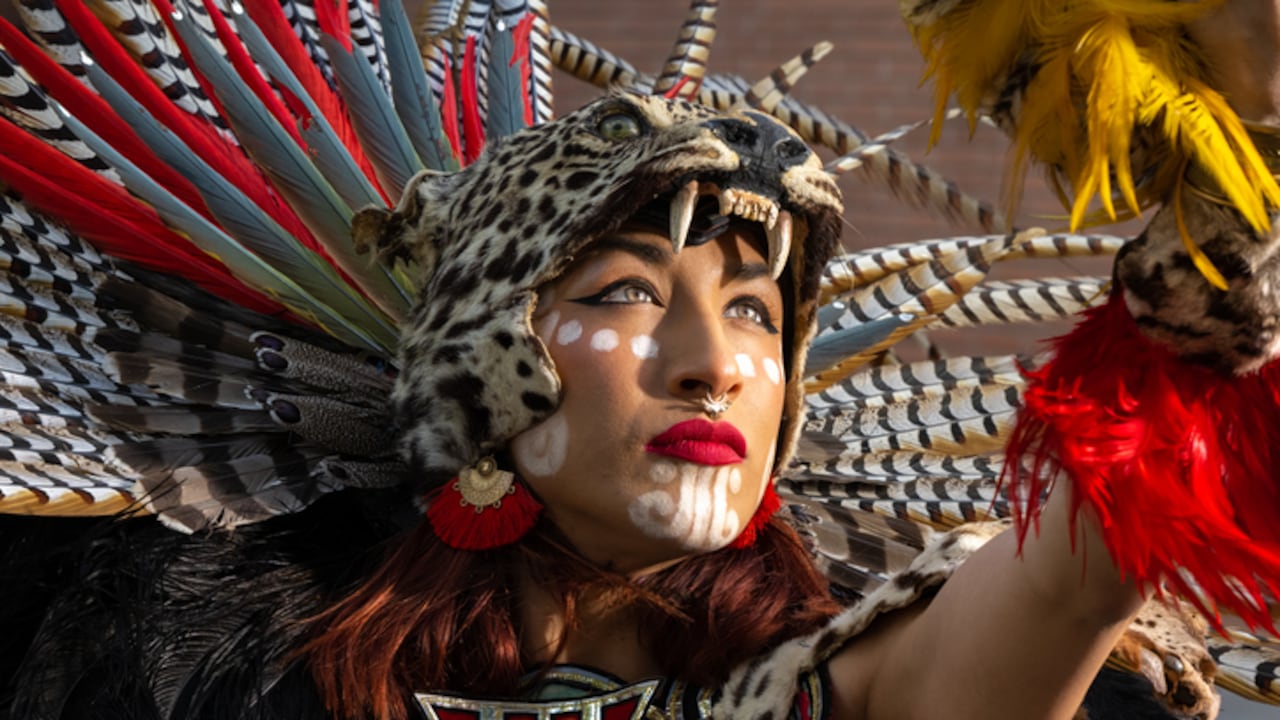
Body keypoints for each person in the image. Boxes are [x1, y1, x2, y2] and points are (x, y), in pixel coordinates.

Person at [0, 2, 1275, 719]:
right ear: (478, 369)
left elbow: (1060, 582)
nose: (710, 362)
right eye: (625, 294)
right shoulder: (242, 682)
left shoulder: (837, 682)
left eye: (755, 314)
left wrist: (1200, 282)